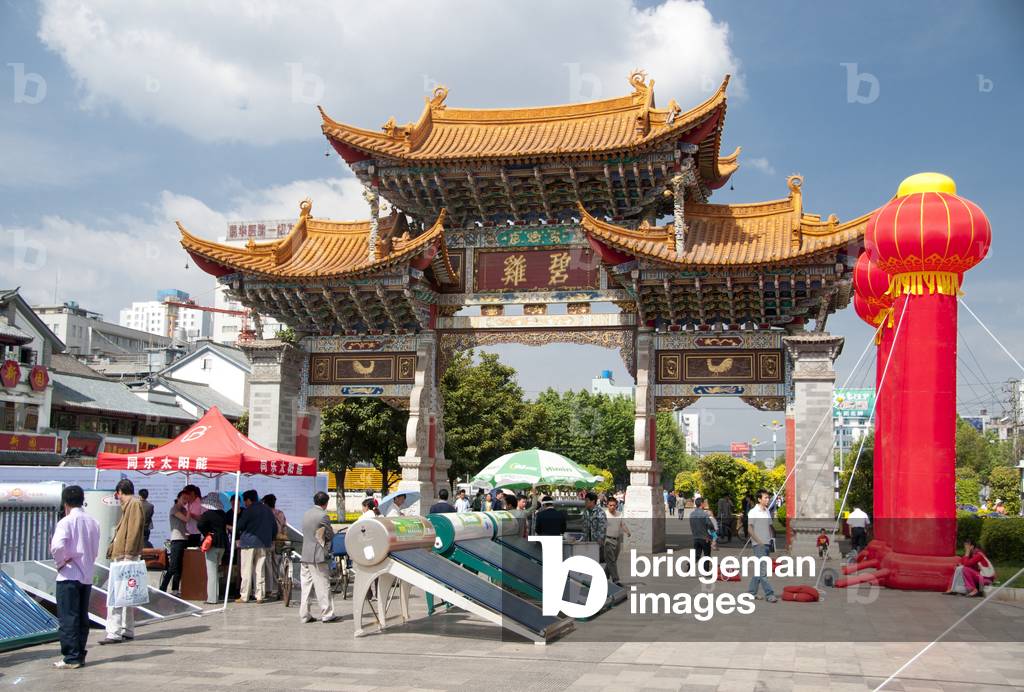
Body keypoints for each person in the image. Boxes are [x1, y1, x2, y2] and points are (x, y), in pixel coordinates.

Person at [50, 485, 100, 669]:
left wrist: (61, 561)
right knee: (81, 616)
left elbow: (56, 546)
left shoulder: (66, 522)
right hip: (86, 573)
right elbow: (95, 549)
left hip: (69, 573)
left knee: (68, 616)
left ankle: (71, 656)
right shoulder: (93, 521)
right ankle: (79, 653)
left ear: (65, 503)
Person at [100, 478, 146, 644]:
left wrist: (127, 554)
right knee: (126, 595)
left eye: (117, 494)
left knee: (117, 596)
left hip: (125, 556)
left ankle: (114, 632)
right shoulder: (132, 505)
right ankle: (126, 629)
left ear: (120, 492)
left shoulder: (133, 505)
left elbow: (133, 530)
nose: (117, 497)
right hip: (126, 555)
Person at [299, 492, 340, 623]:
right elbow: (329, 534)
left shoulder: (306, 513)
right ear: (326, 503)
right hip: (317, 555)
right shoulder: (323, 516)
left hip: (305, 554)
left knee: (306, 587)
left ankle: (304, 614)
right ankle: (327, 613)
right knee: (322, 585)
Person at [235, 489, 276, 603]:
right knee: (260, 570)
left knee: (246, 570)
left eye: (245, 501)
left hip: (248, 543)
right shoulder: (267, 510)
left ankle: (244, 596)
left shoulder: (249, 510)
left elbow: (240, 526)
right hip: (263, 544)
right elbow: (274, 527)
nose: (245, 503)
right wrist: (271, 539)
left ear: (249, 500)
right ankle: (260, 596)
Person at [746, 489, 778, 603]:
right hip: (759, 545)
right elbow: (749, 528)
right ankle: (770, 594)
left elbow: (770, 527)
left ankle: (751, 593)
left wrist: (772, 541)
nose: (768, 499)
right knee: (763, 572)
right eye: (765, 498)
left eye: (768, 498)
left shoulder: (767, 511)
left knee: (759, 571)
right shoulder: (753, 512)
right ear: (759, 499)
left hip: (767, 543)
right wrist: (758, 541)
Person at [197, 493, 228, 605]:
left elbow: (200, 525)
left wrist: (207, 533)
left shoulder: (207, 514)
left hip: (212, 543)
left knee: (211, 572)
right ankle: (217, 595)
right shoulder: (223, 514)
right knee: (216, 570)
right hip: (223, 543)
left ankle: (212, 598)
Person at [159, 490, 191, 594]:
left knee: (179, 567)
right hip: (176, 540)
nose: (186, 501)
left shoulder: (182, 509)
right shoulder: (174, 509)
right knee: (173, 566)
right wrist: (189, 509)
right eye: (184, 498)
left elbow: (185, 523)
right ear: (178, 498)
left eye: (187, 499)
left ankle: (175, 589)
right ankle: (163, 588)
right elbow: (186, 520)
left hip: (183, 539)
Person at [262, 494, 287, 601]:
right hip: (279, 542)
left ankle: (269, 589)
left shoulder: (264, 513)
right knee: (278, 566)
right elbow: (284, 527)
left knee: (268, 567)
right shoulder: (280, 513)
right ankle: (279, 590)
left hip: (268, 542)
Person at [604, 496, 631, 584]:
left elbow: (622, 524)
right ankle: (616, 580)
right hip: (607, 540)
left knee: (613, 560)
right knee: (611, 560)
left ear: (616, 505)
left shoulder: (619, 514)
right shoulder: (604, 515)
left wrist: (627, 532)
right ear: (607, 505)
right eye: (610, 505)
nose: (612, 507)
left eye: (614, 505)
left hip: (617, 540)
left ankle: (603, 576)